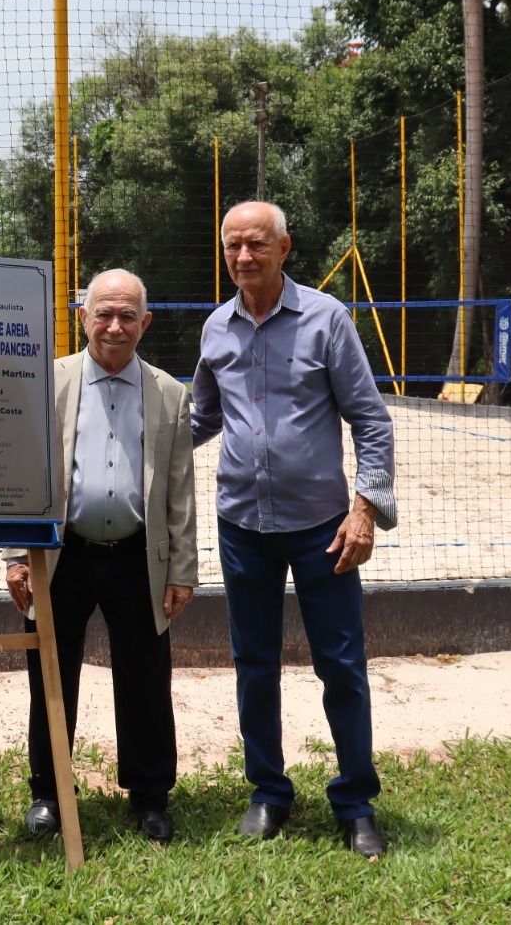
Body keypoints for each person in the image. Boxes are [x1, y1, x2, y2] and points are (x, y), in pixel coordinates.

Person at [190, 201, 397, 858]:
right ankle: (268, 793)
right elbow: (200, 418)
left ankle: (356, 801)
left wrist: (365, 509)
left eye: (256, 244)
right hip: (241, 524)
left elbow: (370, 418)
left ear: (285, 248)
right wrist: (134, 441)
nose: (243, 257)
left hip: (323, 528)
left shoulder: (326, 319)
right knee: (254, 663)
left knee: (341, 664)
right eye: (232, 246)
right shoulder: (215, 329)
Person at [4, 269, 198, 844]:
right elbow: (22, 473)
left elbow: (180, 490)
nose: (115, 326)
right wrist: (18, 554)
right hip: (61, 556)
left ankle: (150, 795)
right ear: (82, 316)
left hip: (140, 557)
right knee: (50, 676)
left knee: (145, 679)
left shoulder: (168, 393)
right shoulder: (48, 380)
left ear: (146, 322)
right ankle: (48, 792)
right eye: (103, 313)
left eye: (128, 315)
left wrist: (182, 568)